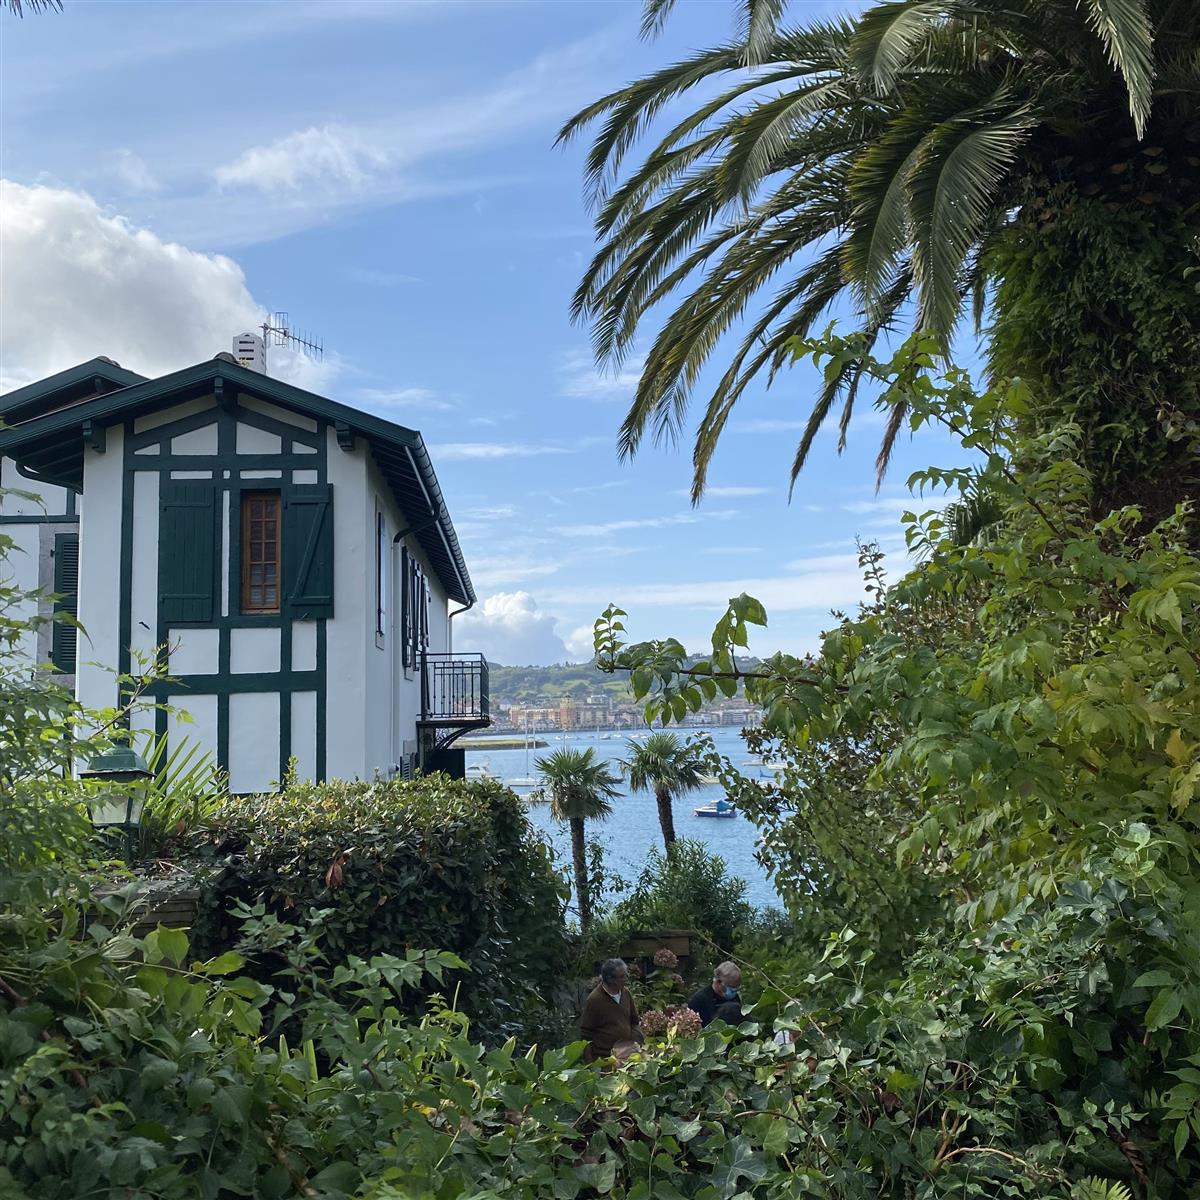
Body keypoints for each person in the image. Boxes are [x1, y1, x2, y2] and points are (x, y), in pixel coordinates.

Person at [580, 958, 643, 1061]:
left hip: (627, 1055)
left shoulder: (626, 993)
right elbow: (586, 1034)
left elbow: (634, 1021)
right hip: (605, 1059)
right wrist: (590, 1064)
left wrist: (636, 1044)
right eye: (622, 976)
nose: (626, 979)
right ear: (610, 979)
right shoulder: (595, 1000)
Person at [686, 961, 742, 1027]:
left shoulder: (735, 998)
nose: (734, 991)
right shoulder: (699, 1000)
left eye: (736, 988)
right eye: (731, 987)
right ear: (718, 982)